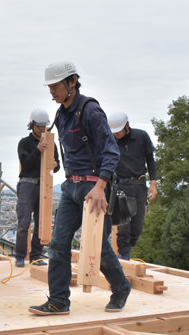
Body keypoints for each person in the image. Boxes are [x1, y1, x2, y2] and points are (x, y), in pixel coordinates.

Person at [29, 61, 131, 316]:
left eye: (56, 87)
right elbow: (69, 150)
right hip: (71, 187)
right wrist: (55, 164)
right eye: (50, 88)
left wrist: (101, 186)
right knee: (57, 244)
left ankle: (121, 287)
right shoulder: (61, 115)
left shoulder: (90, 110)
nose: (52, 92)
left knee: (97, 246)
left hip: (93, 186)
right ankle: (59, 301)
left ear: (72, 82)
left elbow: (111, 151)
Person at [108, 112, 157, 260]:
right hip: (121, 185)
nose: (116, 134)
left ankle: (127, 252)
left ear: (127, 126)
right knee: (124, 225)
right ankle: (123, 255)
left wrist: (153, 184)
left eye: (118, 131)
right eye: (114, 132)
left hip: (140, 184)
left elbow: (150, 160)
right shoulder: (111, 141)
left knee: (137, 226)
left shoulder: (141, 136)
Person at [15, 108, 60, 268]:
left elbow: (57, 164)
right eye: (39, 126)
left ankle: (36, 256)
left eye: (44, 126)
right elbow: (25, 166)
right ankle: (20, 256)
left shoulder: (51, 142)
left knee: (42, 222)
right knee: (24, 221)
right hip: (27, 183)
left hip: (44, 184)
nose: (42, 129)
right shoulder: (24, 143)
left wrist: (55, 165)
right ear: (32, 124)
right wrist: (38, 151)